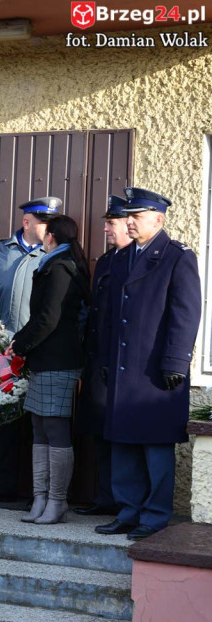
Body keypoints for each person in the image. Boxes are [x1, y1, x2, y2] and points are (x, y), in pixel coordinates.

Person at [96, 187, 201, 541]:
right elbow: (112, 315)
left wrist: (176, 362)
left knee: (155, 448)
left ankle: (154, 516)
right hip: (125, 367)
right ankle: (128, 511)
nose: (129, 222)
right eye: (128, 216)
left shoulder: (177, 256)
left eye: (136, 216)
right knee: (123, 445)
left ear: (158, 219)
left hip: (156, 372)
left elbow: (185, 314)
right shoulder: (122, 257)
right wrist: (107, 358)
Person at [0, 196, 62, 503]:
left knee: (37, 421)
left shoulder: (54, 256)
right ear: (27, 222)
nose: (49, 228)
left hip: (40, 350)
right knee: (1, 415)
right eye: (44, 222)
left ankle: (35, 492)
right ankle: (1, 486)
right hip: (2, 349)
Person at [11, 215, 91, 524]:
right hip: (44, 360)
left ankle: (57, 502)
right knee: (39, 428)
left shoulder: (60, 267)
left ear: (51, 238)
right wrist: (18, 341)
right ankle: (40, 498)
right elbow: (40, 317)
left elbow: (49, 318)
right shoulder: (55, 264)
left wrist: (20, 345)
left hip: (60, 361)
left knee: (55, 429)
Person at [75, 196, 132, 516]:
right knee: (100, 433)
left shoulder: (134, 261)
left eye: (111, 223)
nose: (105, 228)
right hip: (98, 361)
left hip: (120, 363)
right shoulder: (108, 260)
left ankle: (122, 503)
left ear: (128, 223)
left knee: (119, 435)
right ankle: (106, 498)